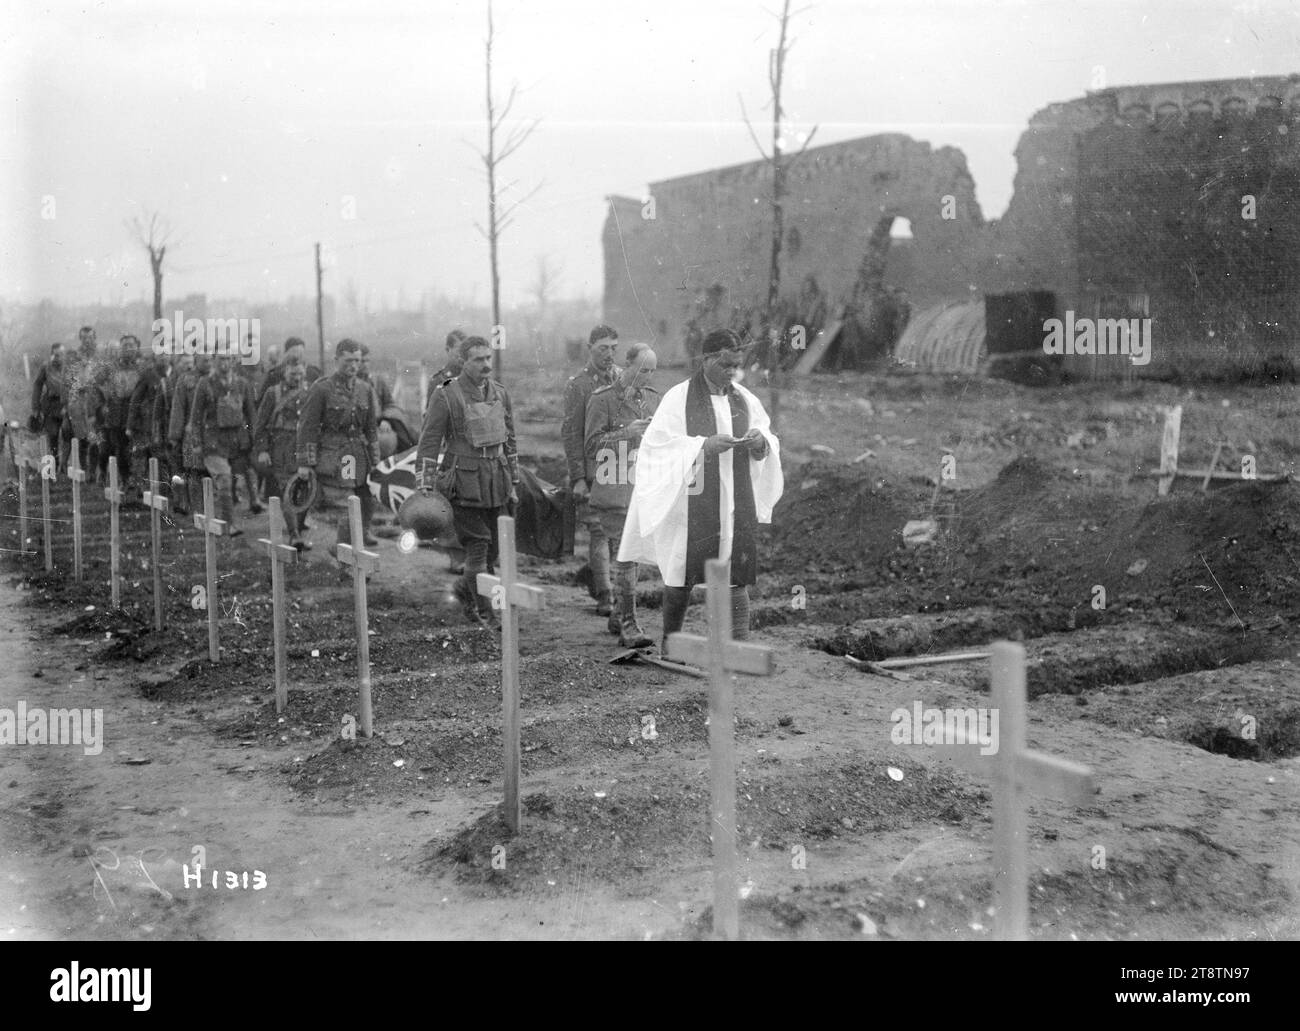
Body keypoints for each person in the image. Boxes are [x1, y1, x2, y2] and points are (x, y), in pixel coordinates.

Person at [618, 328, 784, 652]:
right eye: (725, 365)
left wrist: (760, 444)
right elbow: (657, 446)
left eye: (736, 365)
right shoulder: (678, 398)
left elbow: (767, 437)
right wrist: (704, 446)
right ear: (707, 359)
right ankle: (672, 645)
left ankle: (740, 647)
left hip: (734, 501)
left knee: (736, 568)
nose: (732, 373)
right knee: (683, 570)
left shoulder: (744, 399)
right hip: (692, 501)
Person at [415, 335, 520, 627]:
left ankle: (465, 589)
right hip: (463, 482)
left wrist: (514, 480)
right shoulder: (445, 394)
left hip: (496, 482)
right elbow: (429, 442)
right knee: (479, 545)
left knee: (493, 551)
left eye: (488, 358)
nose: (486, 365)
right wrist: (424, 484)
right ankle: (487, 613)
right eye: (478, 359)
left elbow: (510, 440)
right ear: (463, 361)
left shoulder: (500, 393)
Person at [585, 343, 659, 648]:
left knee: (633, 556)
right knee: (627, 557)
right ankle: (629, 626)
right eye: (643, 370)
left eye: (652, 371)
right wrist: (626, 433)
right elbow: (591, 446)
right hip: (613, 491)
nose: (647, 377)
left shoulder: (653, 400)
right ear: (626, 365)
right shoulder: (602, 400)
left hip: (642, 490)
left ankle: (619, 614)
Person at [296, 338, 380, 553]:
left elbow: (371, 430)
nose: (353, 366)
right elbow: (307, 426)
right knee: (347, 505)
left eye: (357, 361)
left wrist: (376, 461)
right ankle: (346, 555)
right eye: (348, 360)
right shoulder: (322, 389)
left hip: (357, 456)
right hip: (334, 455)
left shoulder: (365, 389)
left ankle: (345, 549)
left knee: (361, 502)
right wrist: (305, 463)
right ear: (336, 360)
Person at [562, 324, 621, 618]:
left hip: (621, 470)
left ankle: (599, 578)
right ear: (590, 348)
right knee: (598, 531)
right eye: (603, 349)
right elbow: (571, 434)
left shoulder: (623, 379)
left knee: (619, 533)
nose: (609, 355)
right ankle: (605, 594)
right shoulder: (579, 385)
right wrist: (577, 479)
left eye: (613, 348)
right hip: (593, 471)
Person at [190, 354, 257, 536]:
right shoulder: (205, 384)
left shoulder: (242, 383)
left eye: (228, 358)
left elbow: (251, 414)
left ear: (234, 360)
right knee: (225, 481)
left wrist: (254, 440)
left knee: (237, 483)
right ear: (214, 360)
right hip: (213, 442)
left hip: (237, 442)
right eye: (220, 358)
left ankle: (244, 508)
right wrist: (196, 442)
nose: (224, 362)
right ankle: (229, 525)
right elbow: (195, 418)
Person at [254, 356, 310, 550]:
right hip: (281, 447)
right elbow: (260, 424)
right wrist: (262, 450)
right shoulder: (273, 393)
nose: (297, 377)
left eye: (300, 373)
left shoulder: (311, 392)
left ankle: (298, 529)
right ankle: (294, 535)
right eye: (293, 373)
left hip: (304, 446)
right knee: (288, 489)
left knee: (305, 491)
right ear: (284, 372)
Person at [167, 353, 207, 515]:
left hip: (213, 435)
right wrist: (175, 436)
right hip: (191, 433)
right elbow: (178, 408)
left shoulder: (216, 379)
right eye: (205, 360)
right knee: (194, 470)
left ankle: (208, 509)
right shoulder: (185, 380)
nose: (209, 363)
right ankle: (197, 510)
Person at [29, 343, 68, 468]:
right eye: (55, 355)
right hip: (50, 405)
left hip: (66, 405)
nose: (58, 358)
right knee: (52, 436)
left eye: (61, 355)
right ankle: (53, 467)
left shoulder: (70, 368)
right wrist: (35, 407)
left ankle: (64, 465)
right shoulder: (45, 367)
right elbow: (37, 385)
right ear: (51, 355)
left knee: (68, 435)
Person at [259, 337, 322, 404]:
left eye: (300, 353)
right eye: (294, 352)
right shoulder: (275, 374)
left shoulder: (314, 373)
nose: (297, 356)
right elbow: (263, 402)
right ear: (286, 353)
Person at [426, 329, 467, 408]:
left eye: (465, 350)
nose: (462, 355)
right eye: (459, 350)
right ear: (448, 350)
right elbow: (430, 417)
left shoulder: (474, 378)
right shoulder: (438, 381)